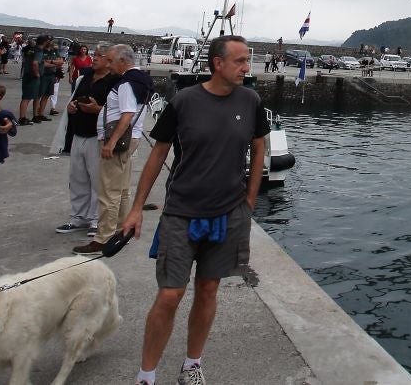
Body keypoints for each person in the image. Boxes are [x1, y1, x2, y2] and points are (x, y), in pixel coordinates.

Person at [121, 35, 268, 385]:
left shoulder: (251, 101)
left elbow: (259, 148)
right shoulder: (185, 101)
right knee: (170, 294)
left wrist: (249, 200)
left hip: (229, 214)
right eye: (240, 61)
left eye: (247, 60)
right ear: (217, 63)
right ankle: (146, 375)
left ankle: (192, 365)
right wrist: (136, 208)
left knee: (208, 290)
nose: (247, 68)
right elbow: (158, 153)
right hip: (182, 212)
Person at [72, 44, 151, 256]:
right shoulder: (140, 80)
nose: (108, 64)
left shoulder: (126, 84)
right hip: (130, 138)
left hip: (118, 140)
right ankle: (121, 229)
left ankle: (103, 237)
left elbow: (127, 114)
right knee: (122, 188)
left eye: (111, 60)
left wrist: (111, 142)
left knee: (108, 190)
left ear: (123, 61)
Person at [55, 43, 115, 241]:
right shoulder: (84, 77)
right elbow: (75, 99)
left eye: (100, 55)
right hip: (78, 133)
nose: (94, 58)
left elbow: (119, 113)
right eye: (94, 54)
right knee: (78, 177)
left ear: (110, 60)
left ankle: (96, 219)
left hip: (97, 136)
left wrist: (97, 110)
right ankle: (78, 216)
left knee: (98, 179)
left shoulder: (115, 83)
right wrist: (72, 106)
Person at [18, 35, 46, 126]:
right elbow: (35, 63)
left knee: (30, 96)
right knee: (27, 98)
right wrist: (37, 73)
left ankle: (27, 117)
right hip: (32, 76)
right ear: (45, 42)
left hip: (27, 74)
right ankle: (22, 118)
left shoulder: (32, 49)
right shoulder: (39, 51)